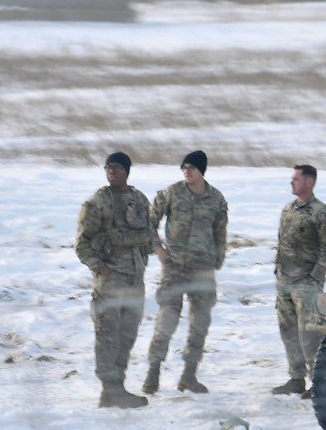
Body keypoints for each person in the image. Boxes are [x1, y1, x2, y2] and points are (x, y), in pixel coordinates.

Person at [142, 150, 228, 395]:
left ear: (202, 170)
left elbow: (220, 233)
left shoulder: (216, 199)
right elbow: (149, 221)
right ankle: (153, 372)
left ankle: (189, 376)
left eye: (191, 167)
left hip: (203, 271)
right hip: (175, 268)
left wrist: (216, 261)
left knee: (200, 323)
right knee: (167, 320)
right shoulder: (172, 193)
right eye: (184, 167)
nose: (186, 171)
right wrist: (158, 248)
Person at [74, 152, 154, 408]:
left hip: (134, 280)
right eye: (108, 168)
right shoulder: (96, 203)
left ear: (127, 171)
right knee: (108, 334)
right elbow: (82, 244)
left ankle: (117, 386)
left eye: (116, 167)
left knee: (127, 333)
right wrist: (100, 268)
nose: (111, 172)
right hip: (109, 283)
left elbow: (149, 235)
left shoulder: (139, 199)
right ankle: (110, 390)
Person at [271, 164, 326, 397]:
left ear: (309, 182)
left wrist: (314, 278)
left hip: (306, 284)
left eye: (296, 179)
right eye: (292, 179)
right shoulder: (288, 210)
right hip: (285, 282)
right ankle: (296, 378)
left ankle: (319, 382)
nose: (292, 183)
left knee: (310, 335)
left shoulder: (321, 212)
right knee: (288, 331)